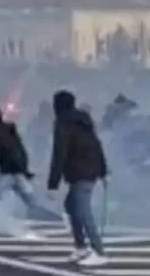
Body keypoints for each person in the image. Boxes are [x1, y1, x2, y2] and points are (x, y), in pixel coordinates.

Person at [0, 107, 58, 240]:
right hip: (16, 172)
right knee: (32, 202)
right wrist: (24, 170)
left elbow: (9, 153)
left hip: (8, 172)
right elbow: (19, 152)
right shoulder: (8, 131)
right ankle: (59, 219)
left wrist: (20, 169)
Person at [47, 90, 109, 266]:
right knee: (72, 206)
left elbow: (59, 153)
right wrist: (103, 171)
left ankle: (98, 251)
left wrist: (53, 184)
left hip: (79, 173)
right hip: (89, 171)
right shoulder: (85, 122)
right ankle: (81, 246)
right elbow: (97, 145)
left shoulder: (62, 123)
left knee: (82, 211)